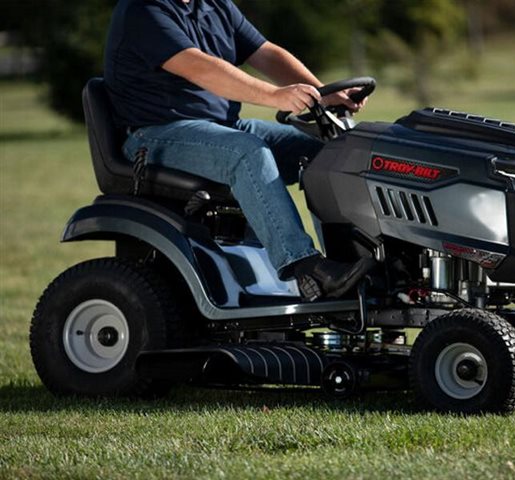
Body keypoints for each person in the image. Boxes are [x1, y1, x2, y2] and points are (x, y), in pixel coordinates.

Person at [104, 0, 373, 300]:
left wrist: (322, 92)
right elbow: (201, 68)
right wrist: (276, 96)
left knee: (328, 150)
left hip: (222, 126)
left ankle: (355, 261)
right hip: (155, 135)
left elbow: (266, 53)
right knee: (246, 152)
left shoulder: (215, 5)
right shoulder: (143, 11)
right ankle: (307, 268)